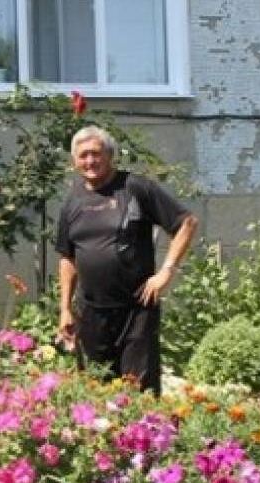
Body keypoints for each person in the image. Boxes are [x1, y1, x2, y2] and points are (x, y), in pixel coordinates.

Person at [56, 125, 198, 392]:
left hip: (137, 310)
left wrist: (167, 271)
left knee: (139, 390)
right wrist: (65, 309)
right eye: (83, 155)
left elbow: (186, 223)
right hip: (91, 313)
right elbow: (67, 257)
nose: (90, 161)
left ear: (110, 155)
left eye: (96, 154)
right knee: (95, 389)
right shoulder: (72, 202)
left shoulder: (135, 188)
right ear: (74, 161)